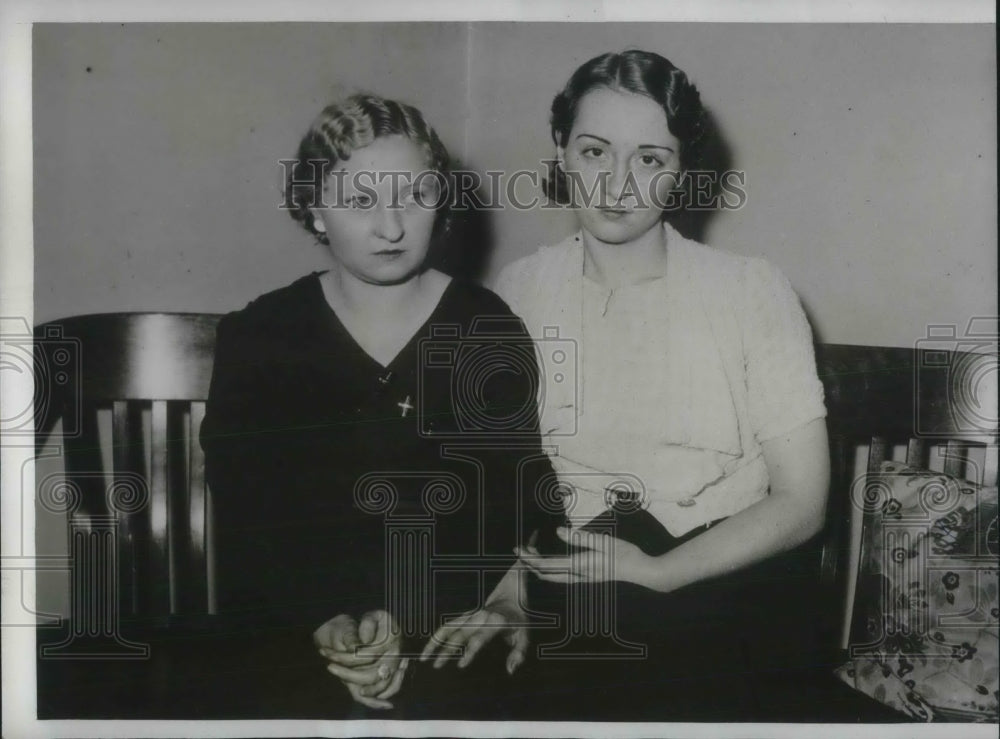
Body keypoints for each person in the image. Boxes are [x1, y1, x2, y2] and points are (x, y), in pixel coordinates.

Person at [422, 50, 832, 720]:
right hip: (573, 583)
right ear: (560, 150)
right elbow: (507, 482)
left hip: (715, 580)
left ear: (681, 172)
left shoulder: (750, 289)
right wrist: (510, 594)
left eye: (649, 159)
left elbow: (802, 501)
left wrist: (659, 571)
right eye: (593, 151)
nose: (617, 184)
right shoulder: (519, 291)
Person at [199, 93, 553, 718]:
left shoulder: (485, 327)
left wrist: (408, 620)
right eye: (361, 202)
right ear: (314, 210)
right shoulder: (260, 335)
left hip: (447, 615)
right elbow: (248, 504)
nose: (391, 228)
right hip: (294, 616)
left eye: (414, 197)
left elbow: (504, 498)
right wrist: (321, 616)